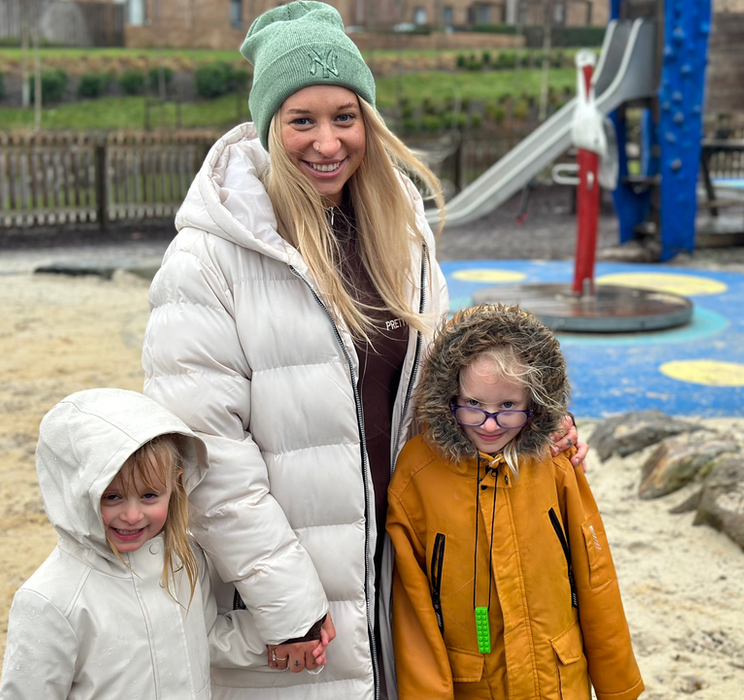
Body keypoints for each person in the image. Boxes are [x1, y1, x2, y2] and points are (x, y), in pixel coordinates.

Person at [140, 3, 586, 698]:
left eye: (344, 116)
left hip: (403, 559)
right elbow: (206, 451)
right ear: (268, 126)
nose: (327, 141)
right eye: (302, 120)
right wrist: (286, 602)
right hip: (294, 591)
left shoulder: (397, 228)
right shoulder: (208, 260)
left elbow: (442, 378)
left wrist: (533, 422)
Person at [386, 304, 643, 699]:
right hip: (475, 683)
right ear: (450, 393)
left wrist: (617, 685)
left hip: (558, 680)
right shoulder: (418, 474)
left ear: (534, 403)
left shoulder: (554, 463)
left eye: (507, 407)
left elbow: (595, 575)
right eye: (473, 404)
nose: (489, 424)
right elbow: (412, 605)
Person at [0, 388, 270, 700]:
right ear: (76, 493)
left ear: (176, 485)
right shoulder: (51, 600)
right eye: (111, 496)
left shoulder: (184, 560)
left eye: (149, 495)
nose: (131, 515)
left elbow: (205, 638)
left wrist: (281, 637)